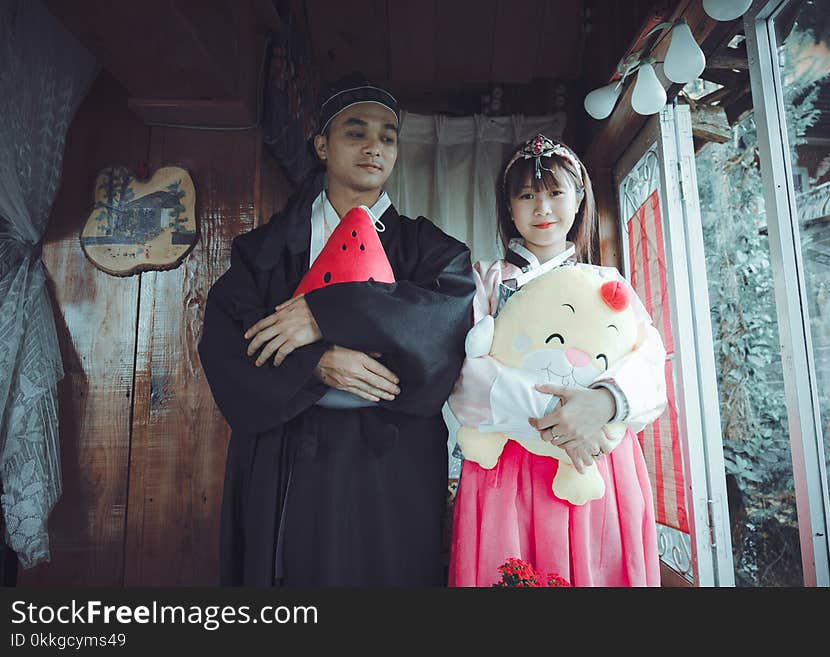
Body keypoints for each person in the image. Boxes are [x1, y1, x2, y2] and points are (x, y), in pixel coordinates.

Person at [198, 73, 476, 586]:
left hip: (392, 466)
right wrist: (318, 363)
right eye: (356, 132)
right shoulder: (264, 251)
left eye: (388, 137)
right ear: (322, 144)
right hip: (288, 454)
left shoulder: (430, 249)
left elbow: (446, 324)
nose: (375, 146)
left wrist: (323, 313)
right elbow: (225, 341)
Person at [446, 134, 668, 587]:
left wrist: (604, 403)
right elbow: (464, 376)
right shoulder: (485, 282)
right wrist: (556, 412)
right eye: (526, 196)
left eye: (554, 193)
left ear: (579, 198)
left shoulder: (607, 281)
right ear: (509, 208)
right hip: (508, 458)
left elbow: (648, 360)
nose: (542, 209)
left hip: (594, 456)